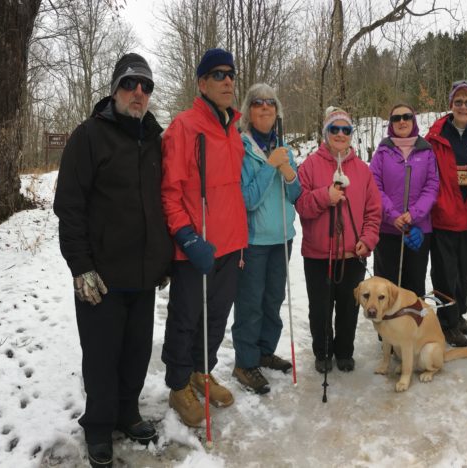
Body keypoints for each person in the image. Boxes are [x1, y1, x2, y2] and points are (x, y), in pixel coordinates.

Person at [54, 53, 171, 467]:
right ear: (114, 89)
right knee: (102, 356)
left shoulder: (155, 140)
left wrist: (163, 259)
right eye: (129, 84)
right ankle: (100, 427)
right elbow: (69, 206)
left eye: (146, 86)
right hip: (100, 277)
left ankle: (127, 413)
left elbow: (162, 203)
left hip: (142, 274)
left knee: (136, 351)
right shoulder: (89, 136)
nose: (138, 93)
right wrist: (80, 265)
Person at [160, 48, 247, 427]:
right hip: (196, 245)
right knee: (186, 317)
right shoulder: (185, 127)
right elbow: (169, 191)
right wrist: (185, 235)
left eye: (231, 74)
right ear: (202, 83)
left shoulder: (234, 130)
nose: (228, 81)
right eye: (218, 74)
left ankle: (202, 371)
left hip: (231, 243)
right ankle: (179, 383)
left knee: (216, 316)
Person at [295, 107, 381, 373]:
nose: (340, 134)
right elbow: (302, 206)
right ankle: (322, 352)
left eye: (346, 130)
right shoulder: (309, 166)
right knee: (320, 310)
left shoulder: (363, 170)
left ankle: (344, 351)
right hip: (318, 254)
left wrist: (367, 240)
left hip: (352, 255)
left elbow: (373, 211)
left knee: (348, 309)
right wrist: (326, 196)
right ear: (326, 133)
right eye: (335, 129)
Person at [230, 83, 301, 395]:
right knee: (250, 303)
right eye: (258, 103)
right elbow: (247, 200)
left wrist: (288, 171)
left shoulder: (283, 146)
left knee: (273, 300)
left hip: (283, 237)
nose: (265, 108)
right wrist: (270, 167)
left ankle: (263, 351)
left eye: (271, 103)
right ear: (249, 111)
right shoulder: (241, 148)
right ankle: (245, 362)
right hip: (254, 241)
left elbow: (296, 194)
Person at [425, 80, 467, 347]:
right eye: (458, 101)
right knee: (444, 273)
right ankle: (447, 322)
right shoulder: (435, 137)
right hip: (444, 215)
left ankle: (458, 312)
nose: (463, 106)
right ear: (450, 104)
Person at [370, 103, 439, 297]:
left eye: (406, 117)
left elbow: (432, 186)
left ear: (413, 120)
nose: (402, 121)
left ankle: (412, 327)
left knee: (413, 287)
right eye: (396, 118)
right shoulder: (382, 152)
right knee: (385, 288)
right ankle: (386, 327)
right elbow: (374, 186)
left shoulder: (426, 151)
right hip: (388, 229)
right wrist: (392, 215)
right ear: (391, 123)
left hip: (417, 230)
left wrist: (414, 215)